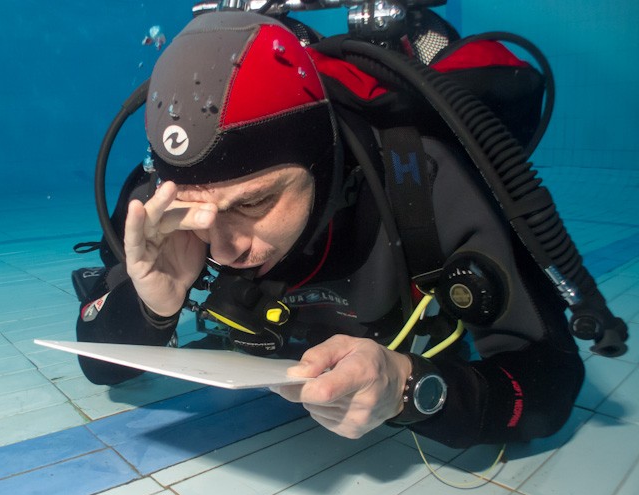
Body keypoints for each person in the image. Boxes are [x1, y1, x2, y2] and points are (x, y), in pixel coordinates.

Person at [75, 9, 588, 449]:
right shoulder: (159, 205)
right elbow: (102, 364)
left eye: (255, 201)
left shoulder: (421, 182)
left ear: (323, 160)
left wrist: (409, 388)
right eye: (196, 207)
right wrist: (153, 307)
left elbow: (549, 384)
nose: (225, 250)